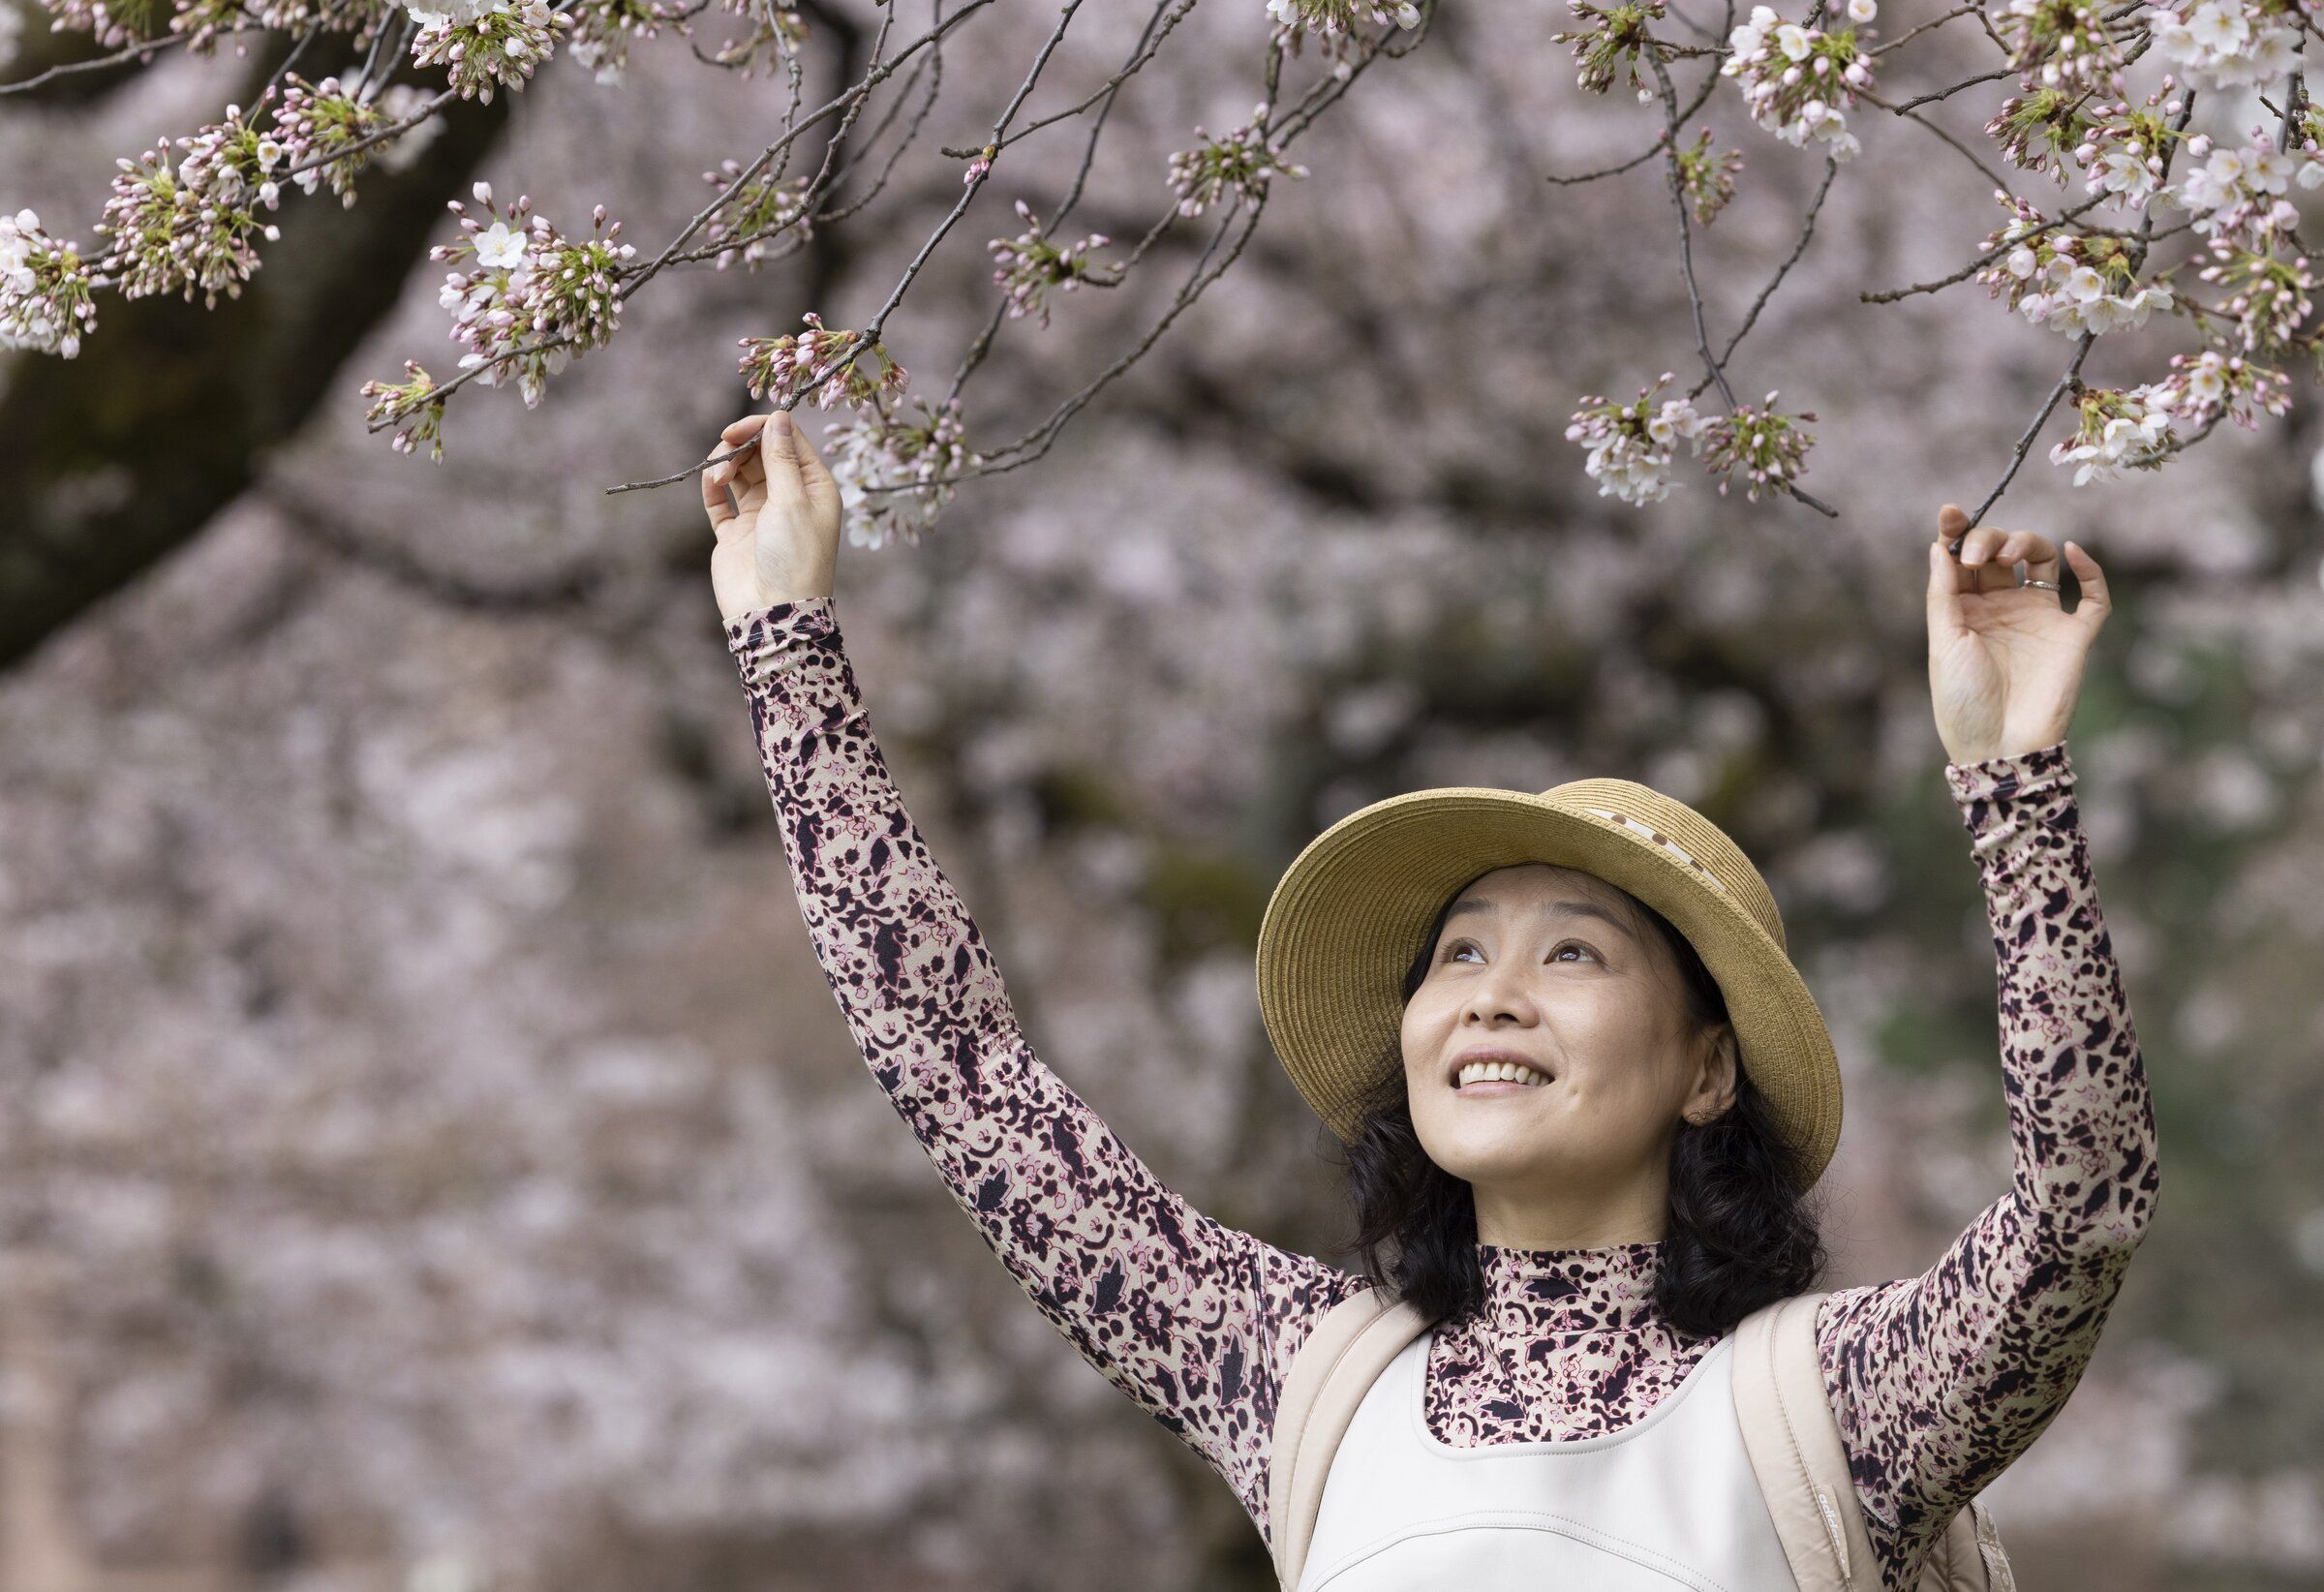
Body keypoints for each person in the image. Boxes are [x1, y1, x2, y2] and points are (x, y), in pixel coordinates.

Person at [698, 406, 2158, 1588]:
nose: (1493, 997)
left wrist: (2009, 780)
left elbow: (2081, 1213)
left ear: (1708, 1069)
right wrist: (786, 639)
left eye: (1573, 953)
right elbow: (964, 1079)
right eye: (1458, 953)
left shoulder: (1829, 1408)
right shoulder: (1303, 1384)